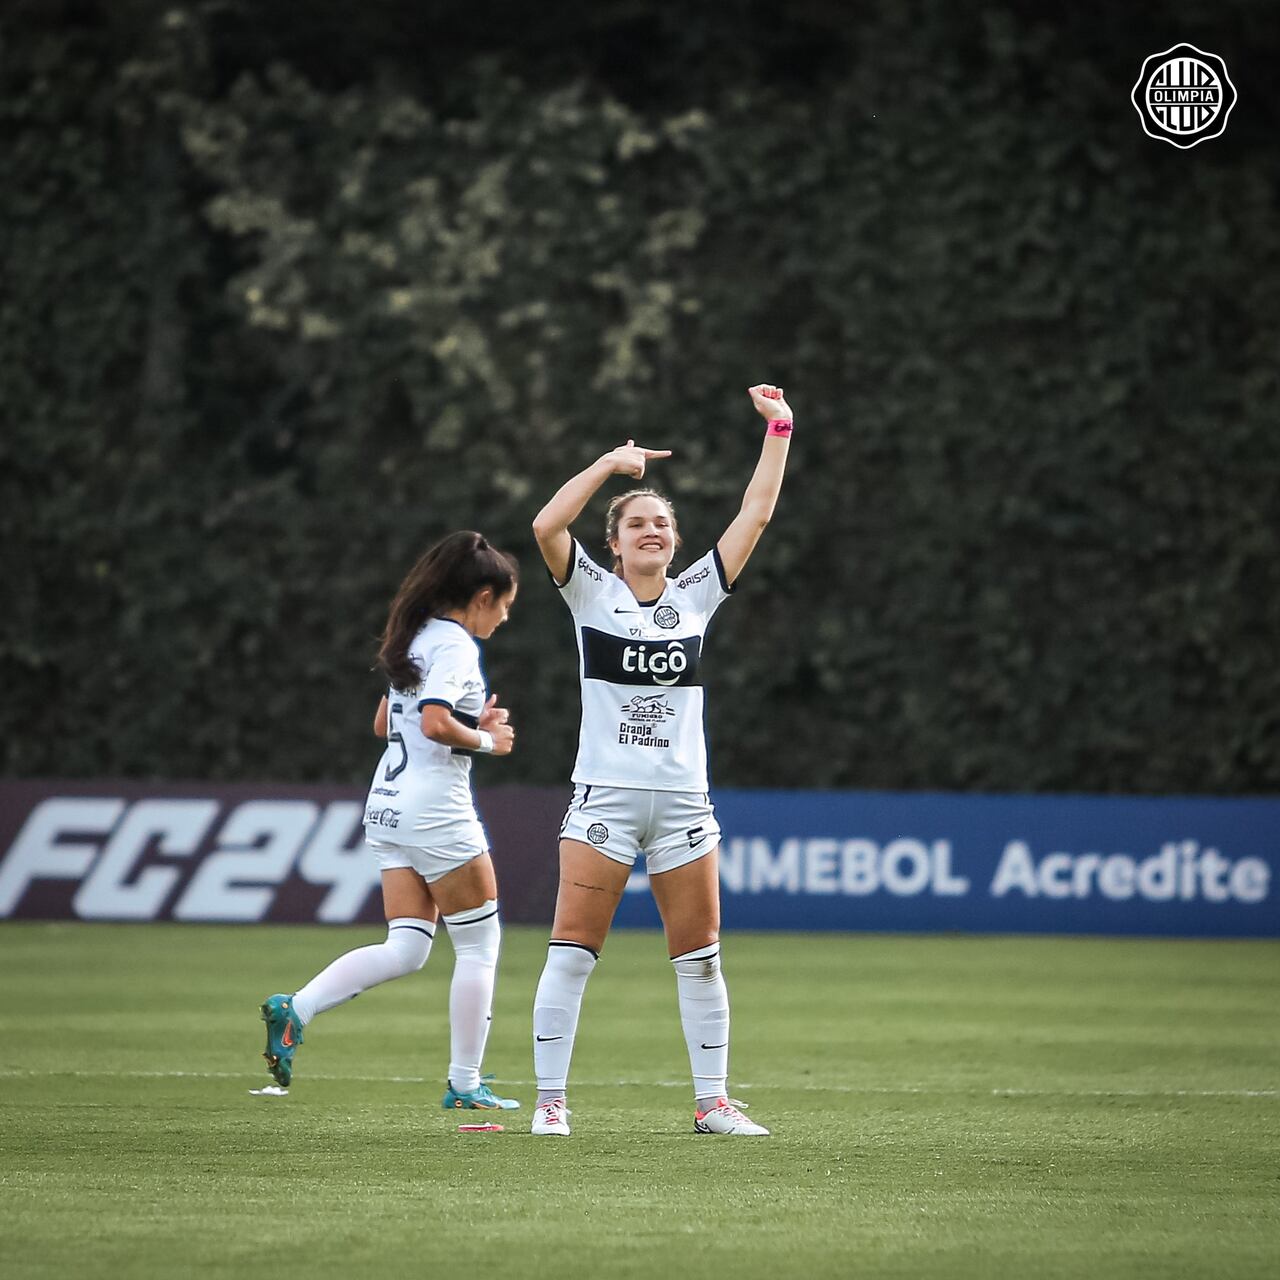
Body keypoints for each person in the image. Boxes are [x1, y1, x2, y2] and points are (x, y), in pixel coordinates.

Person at [528, 383, 794, 1136]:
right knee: (573, 955)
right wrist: (609, 466)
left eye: (661, 524)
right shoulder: (590, 593)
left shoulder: (699, 593)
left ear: (675, 542)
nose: (651, 531)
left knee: (701, 959)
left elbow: (757, 514)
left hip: (683, 802)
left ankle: (713, 1104)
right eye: (637, 523)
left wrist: (779, 427)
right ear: (614, 542)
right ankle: (551, 1104)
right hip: (605, 799)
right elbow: (547, 523)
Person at [260, 530, 522, 1111]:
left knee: (407, 947)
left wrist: (467, 721)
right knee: (479, 947)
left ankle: (296, 1008)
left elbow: (387, 725)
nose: (504, 617)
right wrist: (487, 738)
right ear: (482, 595)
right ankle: (465, 1082)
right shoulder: (454, 647)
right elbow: (432, 723)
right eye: (504, 604)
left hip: (387, 806)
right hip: (436, 812)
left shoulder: (415, 638)